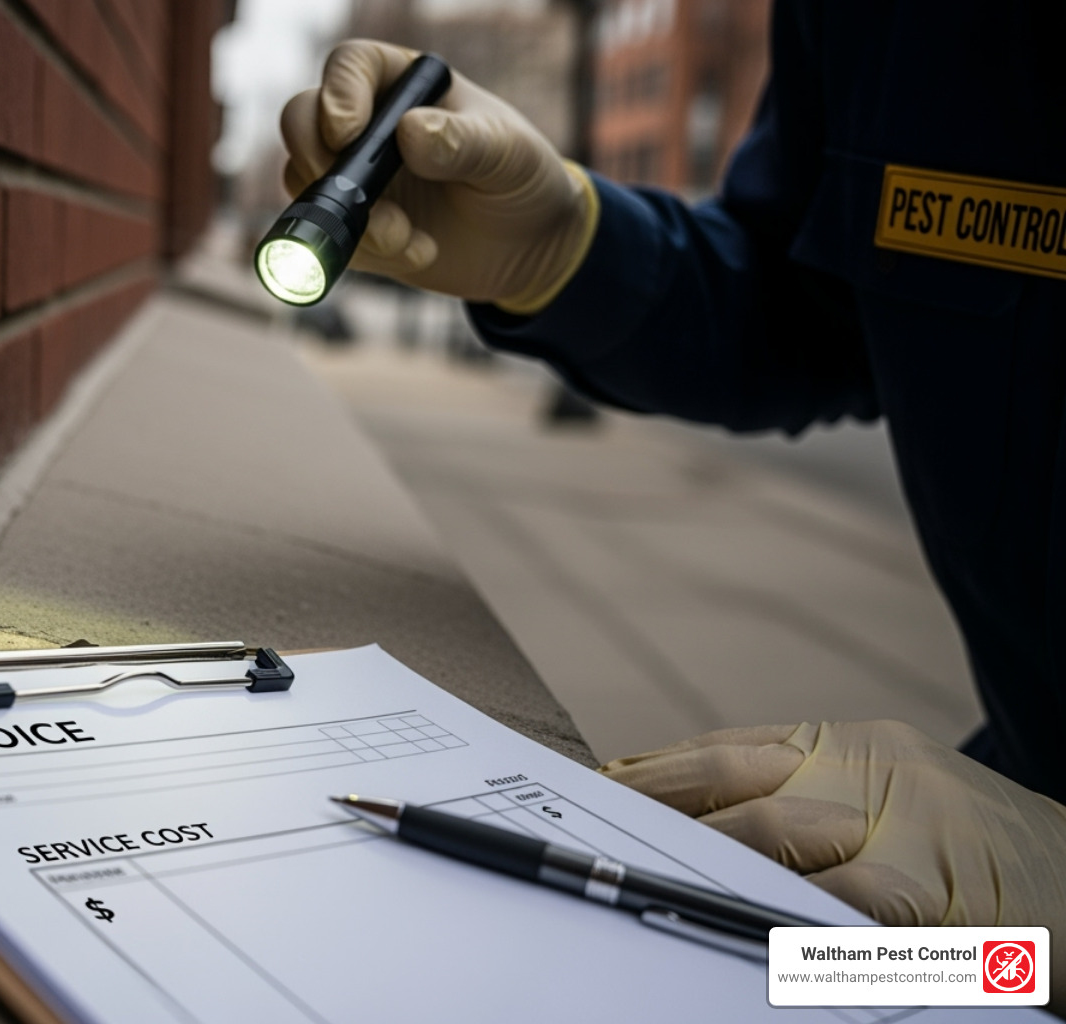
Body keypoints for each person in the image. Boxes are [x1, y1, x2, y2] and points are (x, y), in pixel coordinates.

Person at [278, 4, 1066, 1000]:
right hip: (982, 861)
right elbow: (808, 301)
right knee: (720, 986)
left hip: (1020, 865)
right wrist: (566, 245)